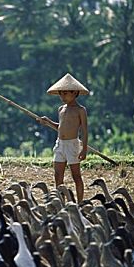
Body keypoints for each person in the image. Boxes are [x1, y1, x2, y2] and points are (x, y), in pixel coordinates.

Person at [37, 73, 89, 203]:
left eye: (65, 93)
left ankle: (80, 202)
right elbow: (60, 127)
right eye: (61, 94)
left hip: (72, 145)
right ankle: (60, 201)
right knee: (57, 175)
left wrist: (84, 149)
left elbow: (84, 130)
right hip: (60, 144)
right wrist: (48, 121)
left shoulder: (80, 110)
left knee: (76, 176)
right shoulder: (61, 109)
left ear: (75, 93)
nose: (62, 97)